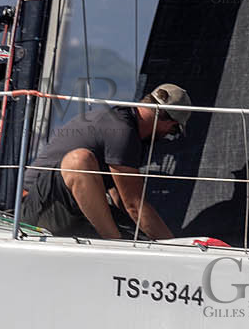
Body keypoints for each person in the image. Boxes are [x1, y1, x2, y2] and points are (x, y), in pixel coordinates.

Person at [21, 83, 190, 240]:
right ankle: (114, 245)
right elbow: (134, 205)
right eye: (173, 131)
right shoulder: (123, 132)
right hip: (39, 208)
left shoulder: (126, 124)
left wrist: (141, 235)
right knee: (80, 160)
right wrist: (175, 247)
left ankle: (117, 242)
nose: (169, 135)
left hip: (63, 206)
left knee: (138, 238)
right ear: (170, 122)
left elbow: (120, 196)